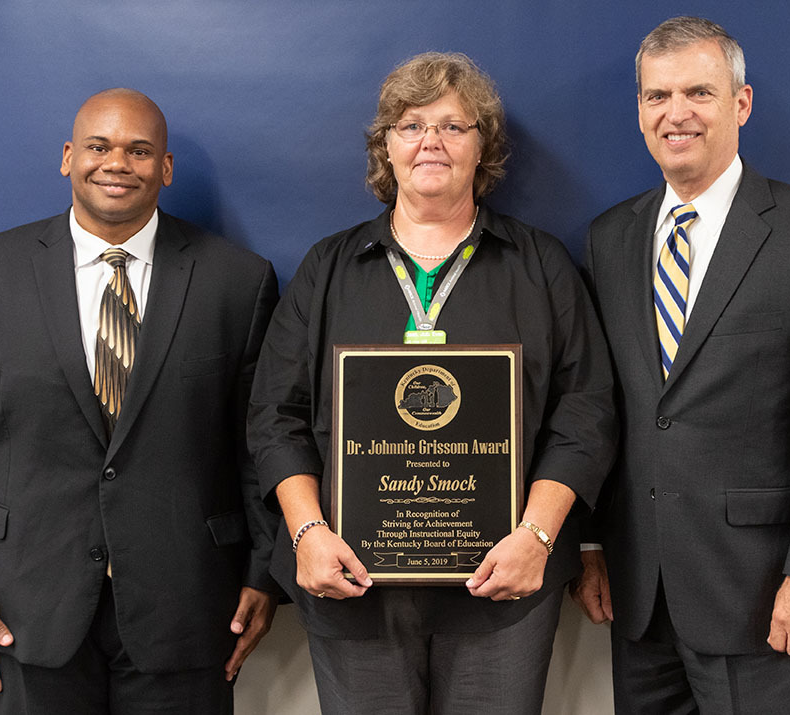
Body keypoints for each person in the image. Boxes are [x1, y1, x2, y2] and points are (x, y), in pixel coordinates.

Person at [247, 52, 616, 714]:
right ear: (385, 146)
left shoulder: (541, 266)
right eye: (410, 125)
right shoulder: (328, 268)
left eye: (453, 126)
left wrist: (536, 537)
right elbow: (275, 415)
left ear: (484, 146)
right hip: (351, 581)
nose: (430, 142)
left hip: (502, 588)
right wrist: (306, 534)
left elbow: (585, 412)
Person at [0, 88, 280, 714]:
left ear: (164, 168)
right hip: (25, 605)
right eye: (99, 146)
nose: (117, 163)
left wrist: (265, 572)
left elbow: (260, 442)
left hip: (190, 603)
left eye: (139, 150)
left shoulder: (238, 280)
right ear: (67, 157)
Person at [573, 16, 790, 714]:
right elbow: (600, 406)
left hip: (765, 596)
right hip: (638, 595)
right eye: (656, 96)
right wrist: (590, 541)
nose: (674, 113)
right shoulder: (608, 237)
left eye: (697, 93)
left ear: (739, 104)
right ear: (640, 109)